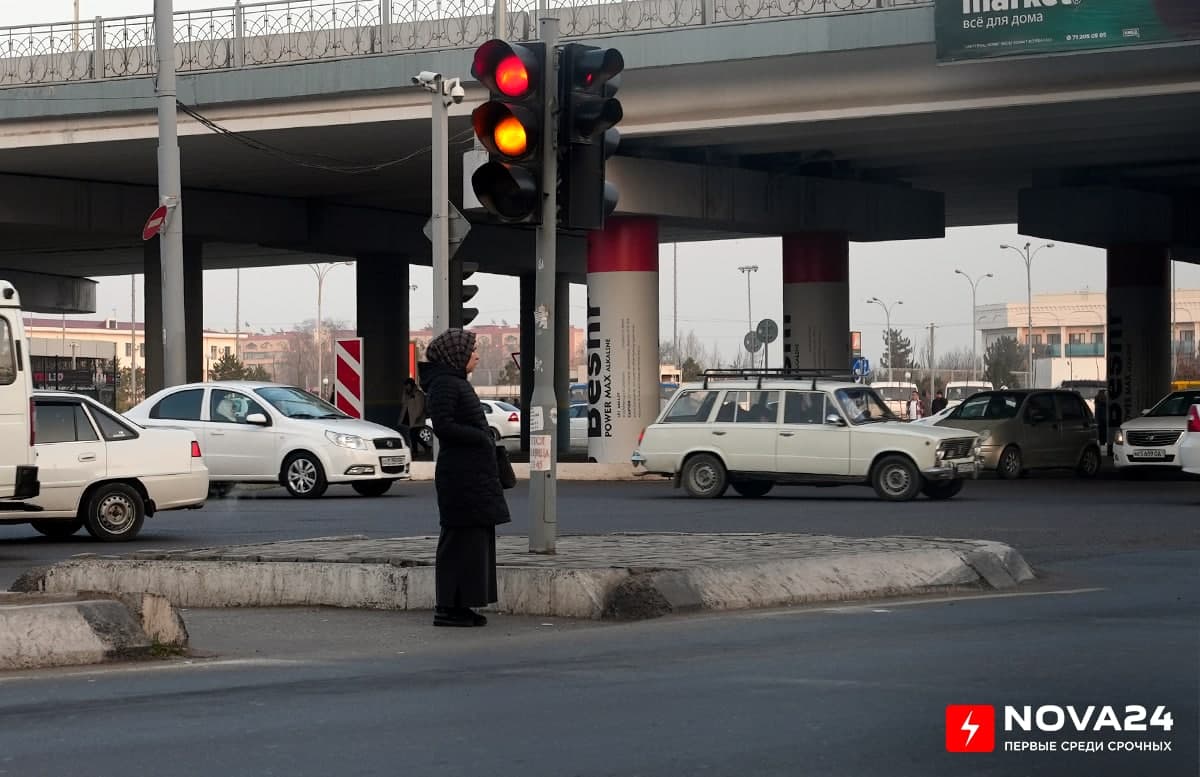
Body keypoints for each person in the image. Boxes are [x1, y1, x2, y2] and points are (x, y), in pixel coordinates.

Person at [423, 328, 511, 628]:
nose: (476, 355)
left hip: (472, 475)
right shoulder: (445, 384)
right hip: (460, 476)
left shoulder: (454, 382)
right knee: (459, 540)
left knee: (474, 541)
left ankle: (461, 605)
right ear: (456, 355)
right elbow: (444, 426)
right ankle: (447, 607)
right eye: (472, 350)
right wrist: (482, 437)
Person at [397, 377, 428, 457]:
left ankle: (416, 451)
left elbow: (420, 407)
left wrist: (417, 417)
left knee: (413, 435)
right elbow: (403, 402)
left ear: (411, 385)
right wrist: (404, 392)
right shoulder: (408, 395)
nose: (406, 388)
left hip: (417, 419)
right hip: (410, 419)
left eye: (407, 386)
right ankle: (425, 447)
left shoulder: (418, 394)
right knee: (413, 435)